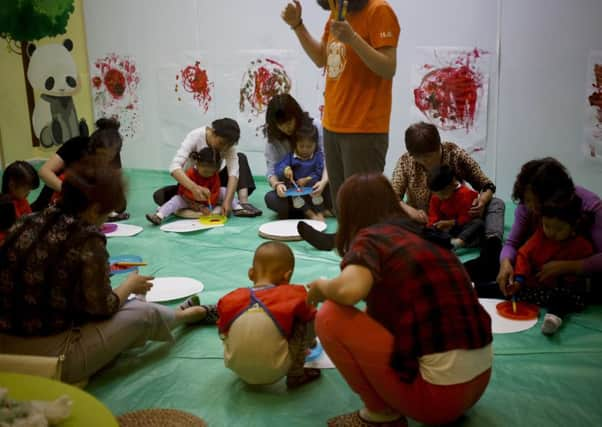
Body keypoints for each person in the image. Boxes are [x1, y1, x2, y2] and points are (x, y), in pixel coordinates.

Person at [0, 161, 218, 384]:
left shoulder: (26, 221)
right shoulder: (86, 238)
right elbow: (104, 307)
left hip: (5, 344)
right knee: (140, 313)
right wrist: (130, 285)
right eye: (107, 213)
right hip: (49, 359)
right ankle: (186, 316)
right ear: (95, 209)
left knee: (132, 305)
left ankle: (169, 313)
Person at [307, 173, 492, 427]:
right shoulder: (422, 234)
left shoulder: (371, 238)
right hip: (478, 385)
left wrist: (320, 287)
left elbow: (349, 292)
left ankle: (380, 416)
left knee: (330, 315)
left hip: (439, 399)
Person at [281, 0, 400, 212]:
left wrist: (353, 39)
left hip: (364, 127)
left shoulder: (378, 10)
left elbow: (388, 68)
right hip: (333, 124)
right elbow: (321, 58)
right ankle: (344, 245)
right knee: (341, 205)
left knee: (362, 206)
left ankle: (363, 245)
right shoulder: (338, 11)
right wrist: (297, 25)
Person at [392, 122, 505, 279]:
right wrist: (412, 211)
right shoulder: (405, 162)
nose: (427, 161)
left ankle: (493, 248)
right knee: (393, 219)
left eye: (431, 155)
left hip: (460, 217)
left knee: (496, 203)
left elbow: (486, 184)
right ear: (412, 155)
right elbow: (392, 198)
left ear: (439, 145)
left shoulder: (454, 153)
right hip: (427, 222)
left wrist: (482, 201)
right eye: (421, 158)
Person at [496, 157, 602, 304]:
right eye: (527, 200)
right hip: (539, 266)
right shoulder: (525, 207)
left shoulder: (591, 207)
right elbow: (512, 244)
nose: (532, 207)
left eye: (537, 201)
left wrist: (569, 266)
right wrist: (505, 263)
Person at [217, 241, 320, 388]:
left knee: (228, 324)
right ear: (287, 275)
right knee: (307, 316)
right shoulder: (293, 294)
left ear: (251, 273)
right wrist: (314, 299)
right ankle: (296, 374)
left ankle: (246, 363)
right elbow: (310, 317)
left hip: (236, 367)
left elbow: (222, 331)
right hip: (276, 369)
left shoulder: (230, 298)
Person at [507, 194, 593, 335]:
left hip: (564, 292)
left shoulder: (582, 246)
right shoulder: (540, 236)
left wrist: (568, 274)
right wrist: (518, 280)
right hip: (538, 289)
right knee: (510, 289)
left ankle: (553, 318)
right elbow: (524, 255)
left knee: (562, 297)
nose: (551, 233)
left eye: (559, 229)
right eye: (546, 226)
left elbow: (586, 273)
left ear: (574, 226)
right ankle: (474, 288)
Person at [153, 118, 261, 217]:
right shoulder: (195, 136)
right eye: (221, 143)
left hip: (214, 182)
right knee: (160, 196)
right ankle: (192, 203)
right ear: (213, 133)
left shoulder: (228, 146)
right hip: (191, 182)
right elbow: (174, 167)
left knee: (240, 158)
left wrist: (227, 201)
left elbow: (233, 173)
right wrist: (194, 188)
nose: (224, 148)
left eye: (229, 145)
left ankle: (243, 204)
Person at [31, 118, 129, 221]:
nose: (105, 160)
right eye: (102, 155)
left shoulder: (113, 155)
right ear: (92, 147)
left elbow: (117, 193)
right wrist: (70, 192)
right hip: (57, 196)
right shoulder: (76, 145)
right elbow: (44, 172)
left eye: (110, 157)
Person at [264, 94, 331, 219]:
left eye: (289, 122)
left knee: (337, 192)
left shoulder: (314, 126)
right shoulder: (273, 140)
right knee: (271, 199)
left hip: (316, 186)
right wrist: (277, 185)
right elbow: (272, 169)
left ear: (296, 115)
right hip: (293, 189)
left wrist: (323, 182)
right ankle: (310, 209)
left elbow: (328, 157)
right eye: (280, 124)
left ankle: (303, 209)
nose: (286, 128)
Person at [146, 147, 221, 225]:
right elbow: (182, 192)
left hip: (206, 203)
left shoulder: (215, 176)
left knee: (223, 191)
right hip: (189, 201)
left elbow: (216, 193)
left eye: (211, 170)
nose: (208, 173)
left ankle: (235, 207)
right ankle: (159, 216)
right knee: (176, 200)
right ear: (197, 164)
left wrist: (209, 206)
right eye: (205, 169)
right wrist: (197, 206)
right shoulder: (190, 173)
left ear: (216, 168)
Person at [275, 121, 325, 220]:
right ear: (295, 144)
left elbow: (319, 172)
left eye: (309, 146)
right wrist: (286, 169)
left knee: (317, 193)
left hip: (312, 187)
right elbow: (279, 167)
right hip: (296, 189)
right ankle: (310, 214)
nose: (305, 150)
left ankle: (320, 212)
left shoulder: (318, 156)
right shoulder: (290, 156)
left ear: (315, 144)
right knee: (296, 197)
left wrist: (307, 179)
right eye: (301, 146)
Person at [427, 164, 484, 249]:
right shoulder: (436, 197)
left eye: (443, 193)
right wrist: (433, 226)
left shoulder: (466, 194)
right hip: (449, 231)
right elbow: (433, 215)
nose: (440, 197)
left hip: (463, 228)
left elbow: (466, 218)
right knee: (426, 231)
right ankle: (448, 242)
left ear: (453, 183)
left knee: (478, 223)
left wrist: (450, 223)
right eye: (436, 194)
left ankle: (459, 242)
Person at [0, 161, 40, 244]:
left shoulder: (22, 200)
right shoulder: (5, 207)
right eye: (26, 189)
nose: (28, 192)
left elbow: (29, 219)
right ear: (12, 185)